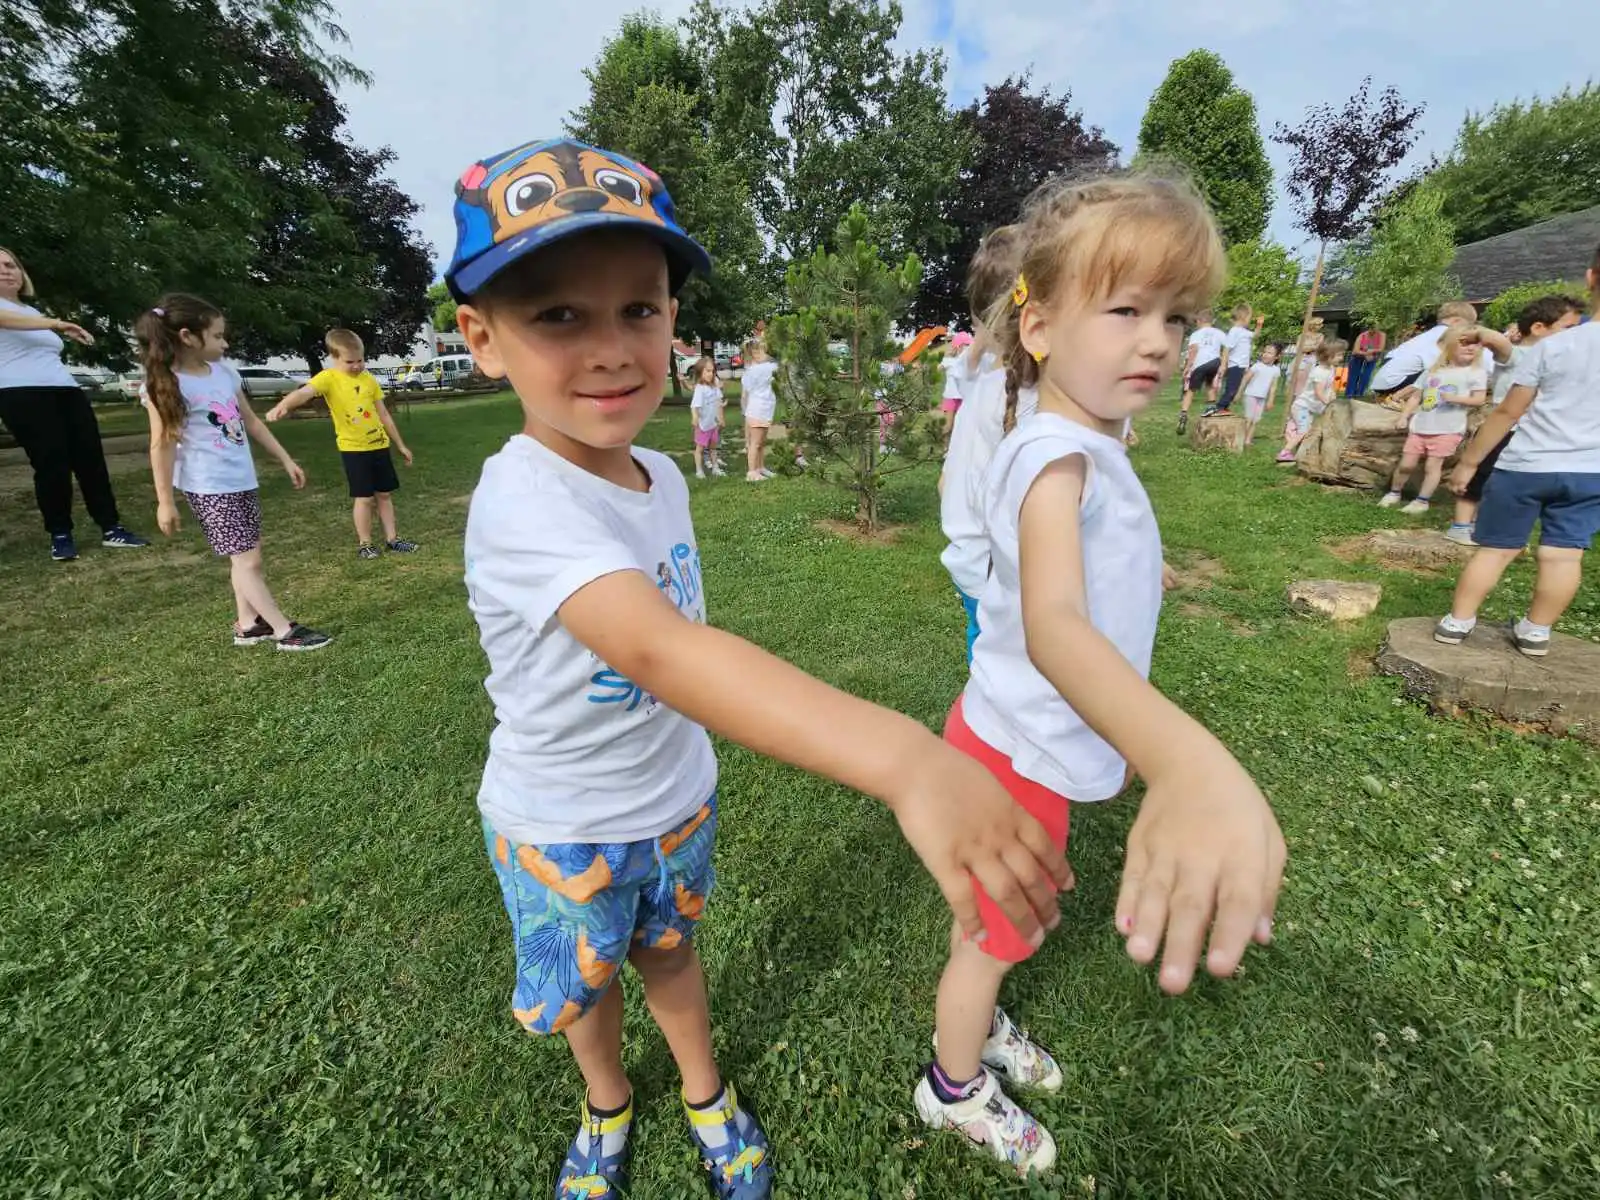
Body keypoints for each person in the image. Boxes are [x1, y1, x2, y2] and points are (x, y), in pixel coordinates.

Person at [446, 135, 1071, 1200]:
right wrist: (907, 759)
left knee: (670, 954)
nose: (611, 349)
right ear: (482, 339)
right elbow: (662, 647)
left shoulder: (657, 473)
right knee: (585, 990)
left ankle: (703, 1090)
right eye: (558, 316)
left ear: (672, 318)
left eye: (638, 309)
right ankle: (606, 1103)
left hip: (674, 799)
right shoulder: (521, 500)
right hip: (560, 824)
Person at [914, 170, 1285, 1175]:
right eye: (1126, 310)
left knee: (1005, 925)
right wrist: (1184, 760)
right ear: (1037, 327)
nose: (1158, 340)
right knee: (994, 938)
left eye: (1176, 315)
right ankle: (952, 1083)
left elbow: (1075, 576)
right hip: (1017, 754)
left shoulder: (1082, 442)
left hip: (1027, 742)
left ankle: (977, 1025)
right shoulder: (1054, 458)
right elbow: (1053, 626)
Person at [136, 295, 330, 651]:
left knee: (247, 555)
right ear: (187, 337)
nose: (225, 343)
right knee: (247, 560)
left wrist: (285, 459)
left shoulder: (224, 373)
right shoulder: (166, 384)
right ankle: (283, 630)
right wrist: (165, 501)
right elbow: (161, 445)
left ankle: (247, 624)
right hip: (208, 486)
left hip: (240, 478)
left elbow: (251, 422)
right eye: (217, 336)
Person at [1436, 251, 1600, 658]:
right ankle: (1536, 631)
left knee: (1496, 549)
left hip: (1525, 465)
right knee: (1564, 555)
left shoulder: (1556, 346)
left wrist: (1469, 463)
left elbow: (1509, 411)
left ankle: (1458, 622)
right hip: (1590, 472)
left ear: (1590, 277)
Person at [0, 246, 148, 560]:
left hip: (65, 390)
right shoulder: (27, 316)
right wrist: (57, 324)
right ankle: (60, 534)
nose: (6, 270)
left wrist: (54, 325)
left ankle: (111, 528)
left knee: (90, 459)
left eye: (10, 265)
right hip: (21, 393)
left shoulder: (33, 313)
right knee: (51, 463)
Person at [938, 225, 1029, 662]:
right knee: (1004, 671)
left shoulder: (991, 384)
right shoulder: (1023, 398)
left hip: (973, 561)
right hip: (998, 573)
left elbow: (970, 363)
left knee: (987, 659)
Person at [266, 328, 419, 559]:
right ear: (334, 358)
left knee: (384, 495)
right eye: (350, 362)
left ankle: (393, 539)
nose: (357, 366)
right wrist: (284, 405)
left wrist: (400, 445)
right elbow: (305, 393)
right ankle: (365, 544)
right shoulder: (328, 378)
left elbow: (384, 414)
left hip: (379, 446)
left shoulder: (369, 380)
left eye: (360, 360)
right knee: (364, 498)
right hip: (354, 450)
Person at [1443, 297, 1583, 544]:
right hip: (1501, 429)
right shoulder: (1519, 354)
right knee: (1479, 478)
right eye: (1568, 328)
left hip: (1529, 431)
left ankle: (1481, 522)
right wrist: (1479, 333)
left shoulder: (1559, 358)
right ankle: (1460, 525)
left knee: (1502, 481)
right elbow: (1498, 342)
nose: (1575, 334)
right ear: (1538, 328)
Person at [1376, 327, 1491, 515]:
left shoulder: (1476, 373)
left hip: (1448, 429)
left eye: (1476, 344)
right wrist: (1404, 416)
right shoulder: (1433, 371)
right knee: (1406, 464)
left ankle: (1422, 500)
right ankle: (1394, 492)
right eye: (1465, 343)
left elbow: (1479, 399)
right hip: (1421, 426)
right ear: (1450, 345)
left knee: (1432, 466)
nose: (1471, 348)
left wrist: (1456, 399)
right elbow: (1416, 396)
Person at [1371, 301, 1491, 399]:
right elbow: (1487, 362)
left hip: (1383, 382)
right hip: (1398, 384)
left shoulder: (1423, 337)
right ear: (1456, 321)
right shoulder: (1450, 335)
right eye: (1469, 325)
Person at [1275, 339, 1345, 463]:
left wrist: (1333, 397)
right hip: (1302, 407)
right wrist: (1329, 403)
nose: (1342, 357)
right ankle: (1284, 453)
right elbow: (1319, 392)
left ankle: (1300, 451)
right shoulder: (1319, 372)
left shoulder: (1331, 369)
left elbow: (1329, 387)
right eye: (1339, 355)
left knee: (1306, 431)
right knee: (1304, 431)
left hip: (1309, 409)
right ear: (1328, 355)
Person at [1175, 309, 1222, 433]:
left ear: (1199, 321)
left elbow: (1194, 350)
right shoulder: (1219, 333)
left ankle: (1184, 414)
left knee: (1191, 390)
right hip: (1215, 362)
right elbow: (1227, 346)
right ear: (1212, 321)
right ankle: (1211, 406)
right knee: (1209, 384)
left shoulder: (1196, 334)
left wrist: (1188, 366)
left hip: (1200, 364)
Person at [1209, 305, 1262, 413]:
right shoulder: (1235, 331)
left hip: (1241, 366)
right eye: (1249, 317)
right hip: (1235, 365)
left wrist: (1259, 325)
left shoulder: (1243, 331)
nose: (1250, 320)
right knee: (1232, 389)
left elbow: (1255, 335)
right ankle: (1220, 407)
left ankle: (1224, 407)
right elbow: (1226, 348)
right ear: (1243, 317)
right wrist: (1223, 365)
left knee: (1235, 388)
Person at [739, 339, 779, 481]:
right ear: (754, 353)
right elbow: (778, 366)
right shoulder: (759, 369)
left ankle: (760, 467)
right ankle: (751, 472)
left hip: (764, 408)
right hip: (758, 409)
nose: (766, 354)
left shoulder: (758, 367)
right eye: (761, 351)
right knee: (755, 443)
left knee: (761, 442)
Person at [1239, 342, 1283, 446]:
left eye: (1270, 353)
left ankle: (1248, 440)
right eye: (1265, 352)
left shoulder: (1276, 370)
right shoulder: (1257, 366)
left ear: (1277, 357)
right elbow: (1245, 379)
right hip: (1251, 395)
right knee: (1249, 418)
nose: (1265, 354)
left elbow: (1273, 387)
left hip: (1261, 398)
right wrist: (1239, 392)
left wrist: (1271, 400)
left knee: (1256, 419)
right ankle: (1241, 439)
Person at [689, 356, 725, 478]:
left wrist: (720, 417)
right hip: (703, 425)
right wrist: (695, 417)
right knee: (699, 449)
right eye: (708, 371)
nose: (711, 374)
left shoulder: (714, 387)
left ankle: (715, 468)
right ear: (700, 372)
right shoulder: (700, 389)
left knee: (713, 448)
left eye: (712, 371)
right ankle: (699, 471)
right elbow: (694, 406)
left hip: (712, 424)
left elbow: (718, 401)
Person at [937, 331, 973, 448]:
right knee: (948, 426)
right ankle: (945, 449)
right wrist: (946, 358)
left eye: (969, 345)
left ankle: (957, 448)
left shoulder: (968, 362)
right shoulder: (949, 361)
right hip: (950, 397)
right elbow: (938, 369)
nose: (968, 348)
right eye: (966, 345)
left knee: (961, 426)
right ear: (958, 346)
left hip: (964, 398)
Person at [1346, 326, 1386, 397]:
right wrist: (1366, 354)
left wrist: (1371, 351)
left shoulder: (1382, 335)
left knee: (1366, 376)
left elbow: (1381, 349)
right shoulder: (1362, 336)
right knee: (1353, 376)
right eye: (1371, 328)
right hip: (1357, 357)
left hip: (1372, 358)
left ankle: (1359, 394)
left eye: (1375, 327)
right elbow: (1355, 351)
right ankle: (1349, 394)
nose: (1372, 329)